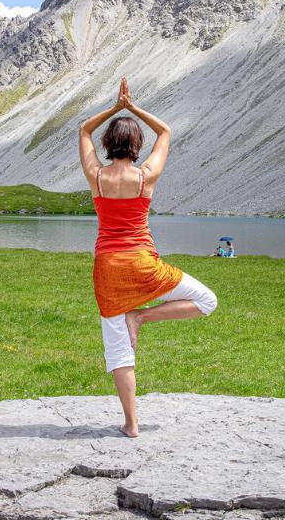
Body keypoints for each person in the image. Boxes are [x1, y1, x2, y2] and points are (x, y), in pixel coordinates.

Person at [78, 77, 218, 438]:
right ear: (137, 144)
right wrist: (132, 107)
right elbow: (166, 131)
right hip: (143, 264)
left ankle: (131, 423)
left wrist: (114, 108)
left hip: (108, 268)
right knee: (207, 300)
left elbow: (83, 130)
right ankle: (141, 317)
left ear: (108, 143)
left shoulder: (97, 177)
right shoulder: (146, 177)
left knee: (118, 350)